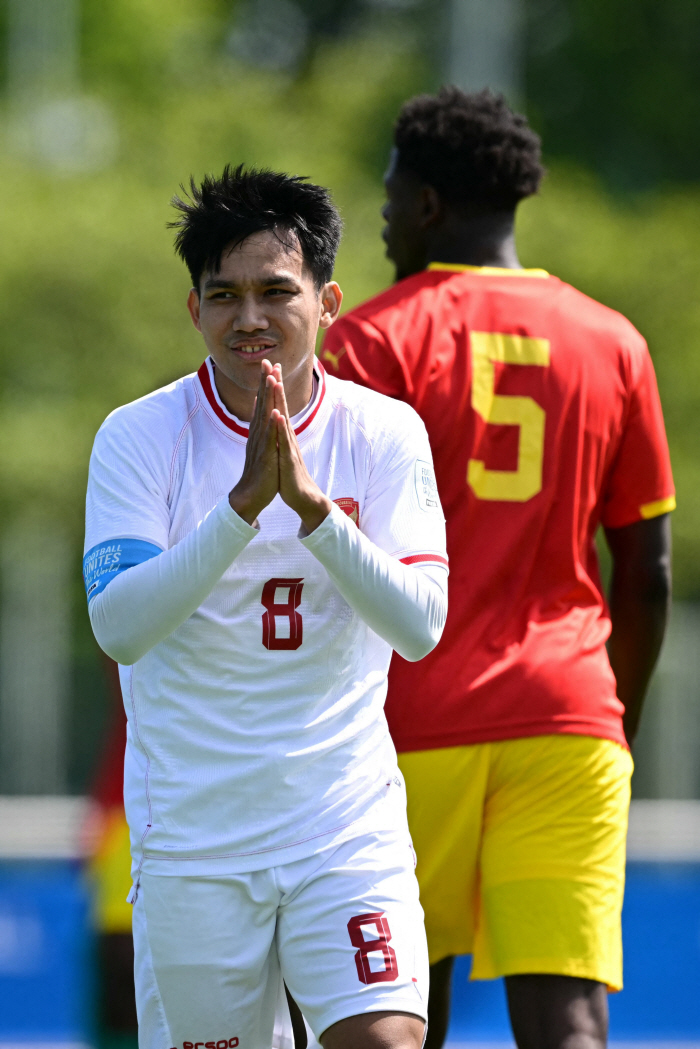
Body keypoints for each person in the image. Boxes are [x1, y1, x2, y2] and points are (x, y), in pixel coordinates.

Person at [322, 89, 674, 1049]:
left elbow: (326, 546)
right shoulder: (614, 340)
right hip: (569, 716)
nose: (384, 215)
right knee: (569, 1017)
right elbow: (646, 571)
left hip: (407, 722)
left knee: (396, 1012)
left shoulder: (371, 340)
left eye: (391, 194)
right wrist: (616, 722)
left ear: (429, 203)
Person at [82, 165, 450, 1049]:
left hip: (344, 830)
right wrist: (241, 510)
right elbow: (120, 626)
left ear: (328, 302)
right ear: (194, 309)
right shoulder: (140, 434)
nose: (250, 317)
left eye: (276, 291)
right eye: (225, 295)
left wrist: (316, 515)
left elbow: (420, 625)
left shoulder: (384, 431)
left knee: (386, 1040)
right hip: (195, 842)